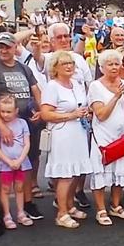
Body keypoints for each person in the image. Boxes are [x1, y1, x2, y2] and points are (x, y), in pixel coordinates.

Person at [0, 32, 44, 221]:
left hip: (27, 122)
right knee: (3, 165)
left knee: (29, 161)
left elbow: (35, 89)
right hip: (6, 124)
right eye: (0, 46)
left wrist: (41, 109)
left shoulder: (23, 68)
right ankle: (2, 206)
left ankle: (27, 203)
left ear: (15, 47)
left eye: (7, 46)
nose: (3, 50)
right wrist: (1, 127)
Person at [40, 51, 93, 229]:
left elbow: (82, 106)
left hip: (78, 131)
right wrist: (71, 115)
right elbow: (46, 113)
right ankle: (61, 213)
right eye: (64, 64)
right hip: (62, 134)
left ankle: (70, 206)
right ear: (56, 68)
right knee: (65, 175)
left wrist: (85, 112)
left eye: (71, 63)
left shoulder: (77, 85)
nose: (69, 66)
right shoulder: (52, 86)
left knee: (75, 173)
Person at [88, 50, 124, 226]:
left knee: (120, 172)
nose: (114, 67)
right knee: (101, 172)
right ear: (102, 68)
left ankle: (115, 206)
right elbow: (100, 114)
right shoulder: (95, 86)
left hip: (122, 135)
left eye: (117, 63)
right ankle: (101, 209)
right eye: (110, 64)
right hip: (103, 135)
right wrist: (117, 95)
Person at [0, 96, 33, 229]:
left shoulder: (22, 123)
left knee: (19, 188)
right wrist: (9, 161)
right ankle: (7, 215)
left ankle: (21, 213)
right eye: (2, 111)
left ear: (16, 111)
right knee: (5, 189)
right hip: (6, 164)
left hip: (20, 163)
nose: (5, 115)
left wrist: (20, 160)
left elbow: (27, 144)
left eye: (8, 112)